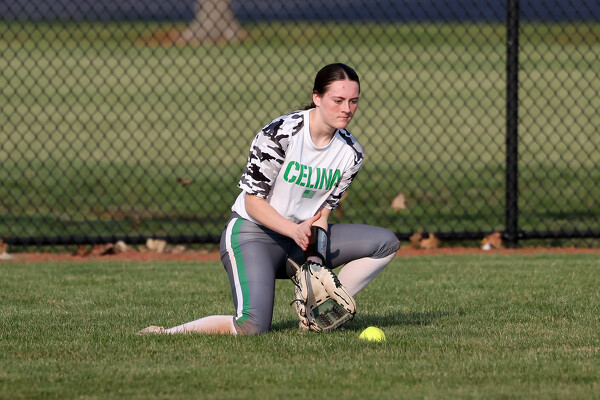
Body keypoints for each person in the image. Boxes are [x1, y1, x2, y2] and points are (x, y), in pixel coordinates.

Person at [138, 63, 400, 335]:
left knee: (385, 243)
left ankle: (318, 311)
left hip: (301, 239)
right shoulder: (281, 133)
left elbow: (322, 214)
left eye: (353, 101)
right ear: (317, 97)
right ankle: (165, 333)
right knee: (252, 327)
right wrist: (293, 230)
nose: (347, 109)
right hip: (253, 234)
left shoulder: (351, 153)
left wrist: (316, 260)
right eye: (338, 100)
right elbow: (253, 202)